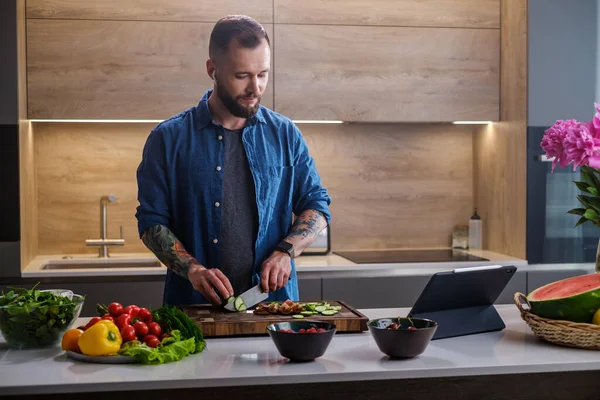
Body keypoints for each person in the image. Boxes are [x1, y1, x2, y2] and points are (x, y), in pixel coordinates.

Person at [135, 15, 331, 306]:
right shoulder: (168, 138)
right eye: (242, 76)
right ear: (212, 69)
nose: (255, 88)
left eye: (262, 74)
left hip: (274, 309)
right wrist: (193, 269)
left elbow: (316, 204)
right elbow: (151, 222)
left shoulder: (285, 134)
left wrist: (285, 252)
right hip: (193, 310)